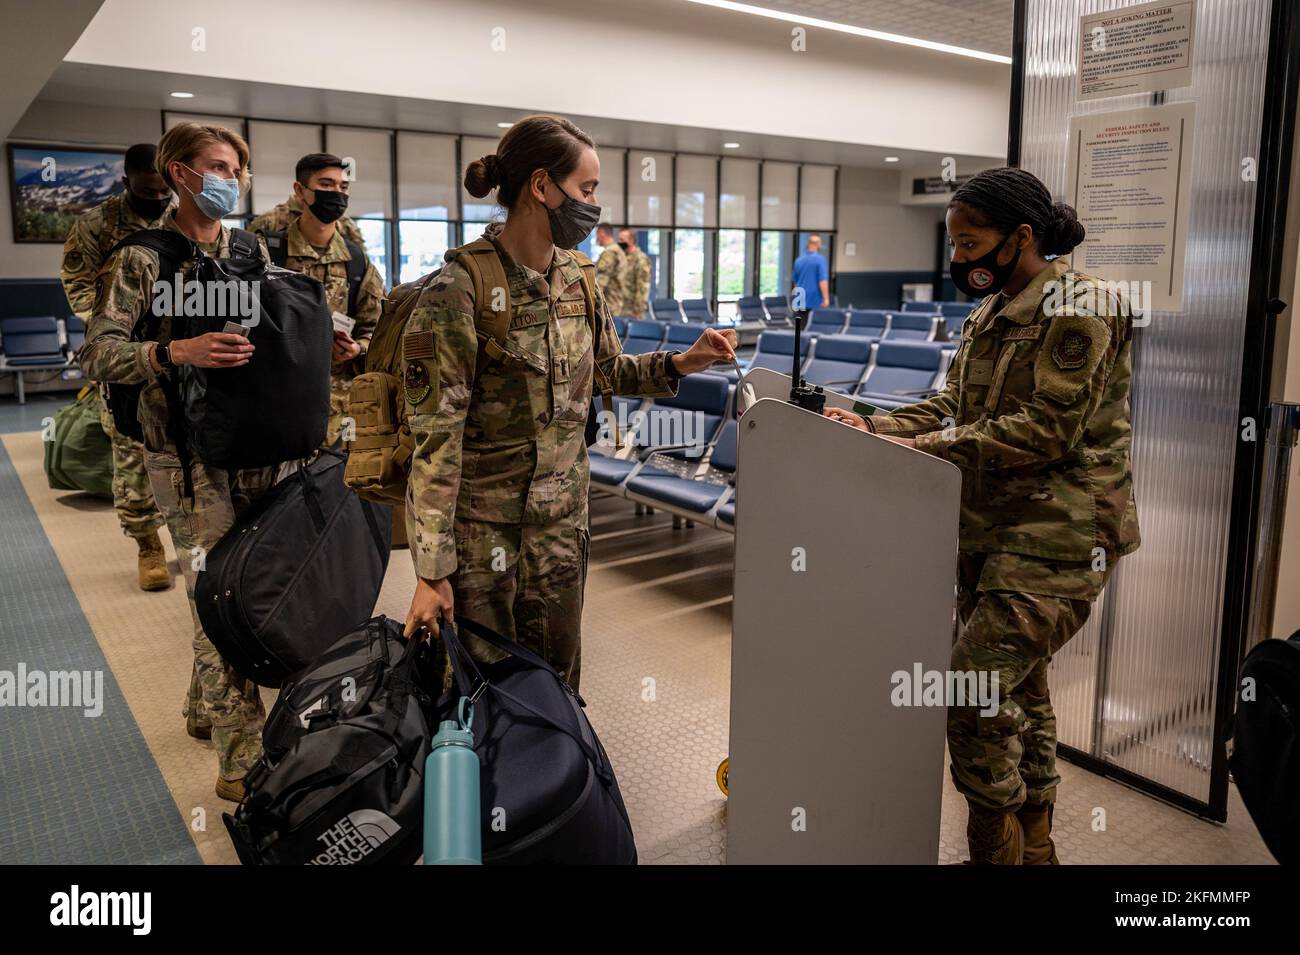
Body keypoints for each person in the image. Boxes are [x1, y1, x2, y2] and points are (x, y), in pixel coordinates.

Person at [823, 166, 1140, 864]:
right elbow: (956, 407)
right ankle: (1036, 847)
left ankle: (995, 853)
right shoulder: (990, 311)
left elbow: (1042, 431)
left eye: (970, 243)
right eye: (954, 244)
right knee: (1020, 690)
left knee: (969, 692)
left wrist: (916, 443)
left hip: (1060, 536)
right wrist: (878, 424)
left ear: (1020, 236)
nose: (959, 259)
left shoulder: (1081, 308)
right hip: (993, 530)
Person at [401, 114, 736, 691]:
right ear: (540, 187)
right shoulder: (459, 290)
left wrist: (681, 363)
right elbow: (437, 438)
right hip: (487, 538)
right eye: (586, 189)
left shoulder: (580, 278)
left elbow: (605, 370)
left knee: (557, 686)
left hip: (561, 530)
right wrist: (432, 571)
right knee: (484, 691)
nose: (594, 204)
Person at [79, 122, 274, 802]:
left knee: (237, 585)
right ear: (180, 173)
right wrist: (172, 353)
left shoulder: (251, 250)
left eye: (239, 169)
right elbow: (97, 353)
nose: (232, 179)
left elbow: (269, 327)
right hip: (182, 458)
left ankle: (202, 707)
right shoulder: (142, 257)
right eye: (219, 166)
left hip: (252, 446)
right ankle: (243, 760)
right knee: (216, 592)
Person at [60, 143, 173, 592]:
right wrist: (111, 326)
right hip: (124, 357)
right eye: (149, 190)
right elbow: (79, 286)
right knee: (131, 451)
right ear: (126, 182)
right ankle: (147, 543)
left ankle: (195, 540)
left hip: (181, 351)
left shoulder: (180, 219)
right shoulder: (97, 225)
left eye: (166, 188)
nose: (159, 197)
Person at [251, 153, 385, 445]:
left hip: (340, 413)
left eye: (343, 187)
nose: (337, 194)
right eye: (326, 184)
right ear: (300, 191)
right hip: (279, 405)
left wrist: (357, 348)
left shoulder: (357, 262)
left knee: (339, 488)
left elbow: (378, 328)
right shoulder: (270, 254)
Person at [592, 222, 627, 317]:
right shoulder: (617, 250)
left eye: (597, 234)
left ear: (601, 233)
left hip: (609, 304)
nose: (597, 238)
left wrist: (591, 300)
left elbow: (601, 282)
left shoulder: (609, 253)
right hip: (616, 302)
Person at [618, 227, 651, 319]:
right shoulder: (623, 258)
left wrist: (637, 311)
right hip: (621, 309)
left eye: (622, 240)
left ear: (631, 241)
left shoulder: (640, 259)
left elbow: (643, 287)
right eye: (619, 239)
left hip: (633, 312)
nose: (619, 242)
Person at [791, 234, 829, 310]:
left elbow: (795, 282)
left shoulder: (798, 260)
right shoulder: (820, 260)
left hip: (800, 299)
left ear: (808, 244)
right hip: (815, 300)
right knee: (813, 321)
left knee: (801, 321)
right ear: (818, 244)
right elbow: (822, 281)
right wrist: (826, 299)